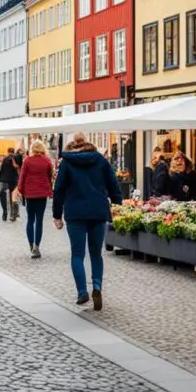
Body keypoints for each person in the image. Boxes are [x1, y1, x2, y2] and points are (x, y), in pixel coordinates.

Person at [52, 133, 122, 310]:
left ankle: (82, 292)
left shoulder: (67, 162)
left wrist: (57, 215)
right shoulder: (100, 160)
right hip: (98, 211)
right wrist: (117, 206)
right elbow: (113, 184)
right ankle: (97, 286)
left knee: (77, 254)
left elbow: (59, 189)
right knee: (96, 253)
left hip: (75, 213)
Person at [17, 140, 54, 259]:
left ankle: (31, 245)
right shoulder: (47, 161)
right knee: (39, 220)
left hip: (30, 194)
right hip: (42, 194)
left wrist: (21, 191)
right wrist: (49, 190)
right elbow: (50, 176)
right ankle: (36, 247)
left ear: (32, 149)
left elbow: (22, 177)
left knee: (30, 220)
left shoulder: (27, 160)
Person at [0, 147, 20, 222]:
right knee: (12, 197)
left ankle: (6, 211)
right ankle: (12, 214)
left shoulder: (6, 159)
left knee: (4, 195)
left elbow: (2, 170)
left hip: (5, 180)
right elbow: (18, 168)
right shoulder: (15, 158)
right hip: (13, 180)